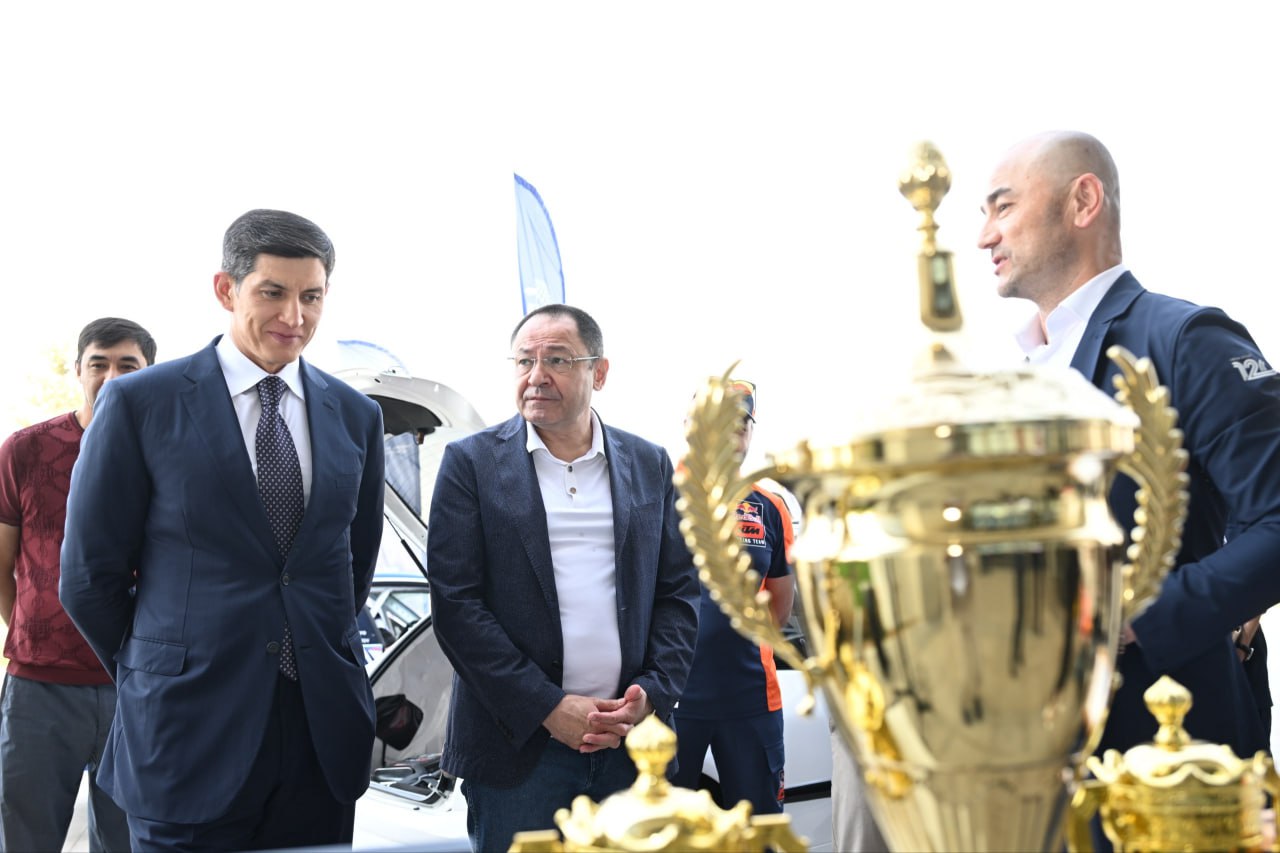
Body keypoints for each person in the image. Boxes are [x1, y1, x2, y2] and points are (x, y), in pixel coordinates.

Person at [59, 209, 385, 851]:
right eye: (273, 292)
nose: (294, 316)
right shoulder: (140, 403)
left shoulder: (356, 415)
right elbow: (89, 578)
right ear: (225, 289)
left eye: (311, 296)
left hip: (319, 737)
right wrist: (155, 669)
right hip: (184, 733)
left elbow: (353, 565)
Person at [977, 130, 1280, 761]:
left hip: (1164, 749)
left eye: (1003, 207)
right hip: (1033, 754)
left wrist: (1135, 615)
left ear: (1083, 201)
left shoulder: (1185, 339)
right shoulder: (1012, 381)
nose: (985, 236)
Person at [427, 303, 700, 852]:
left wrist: (650, 694)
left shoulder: (649, 463)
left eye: (557, 360)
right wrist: (547, 708)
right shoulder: (471, 464)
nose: (537, 376)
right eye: (524, 360)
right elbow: (457, 607)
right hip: (519, 752)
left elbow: (677, 595)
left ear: (599, 372)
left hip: (630, 747)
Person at [0, 317, 155, 853]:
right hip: (39, 689)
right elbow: (1, 562)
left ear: (149, 374)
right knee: (25, 840)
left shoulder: (167, 453)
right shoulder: (25, 450)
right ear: (78, 370)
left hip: (136, 684)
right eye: (99, 364)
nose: (111, 377)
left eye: (127, 365)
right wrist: (31, 627)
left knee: (129, 841)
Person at [671, 379, 795, 814]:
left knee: (760, 830)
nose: (733, 431)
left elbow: (779, 607)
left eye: (742, 423)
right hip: (669, 699)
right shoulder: (658, 496)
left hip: (751, 700)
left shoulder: (769, 506)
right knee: (662, 832)